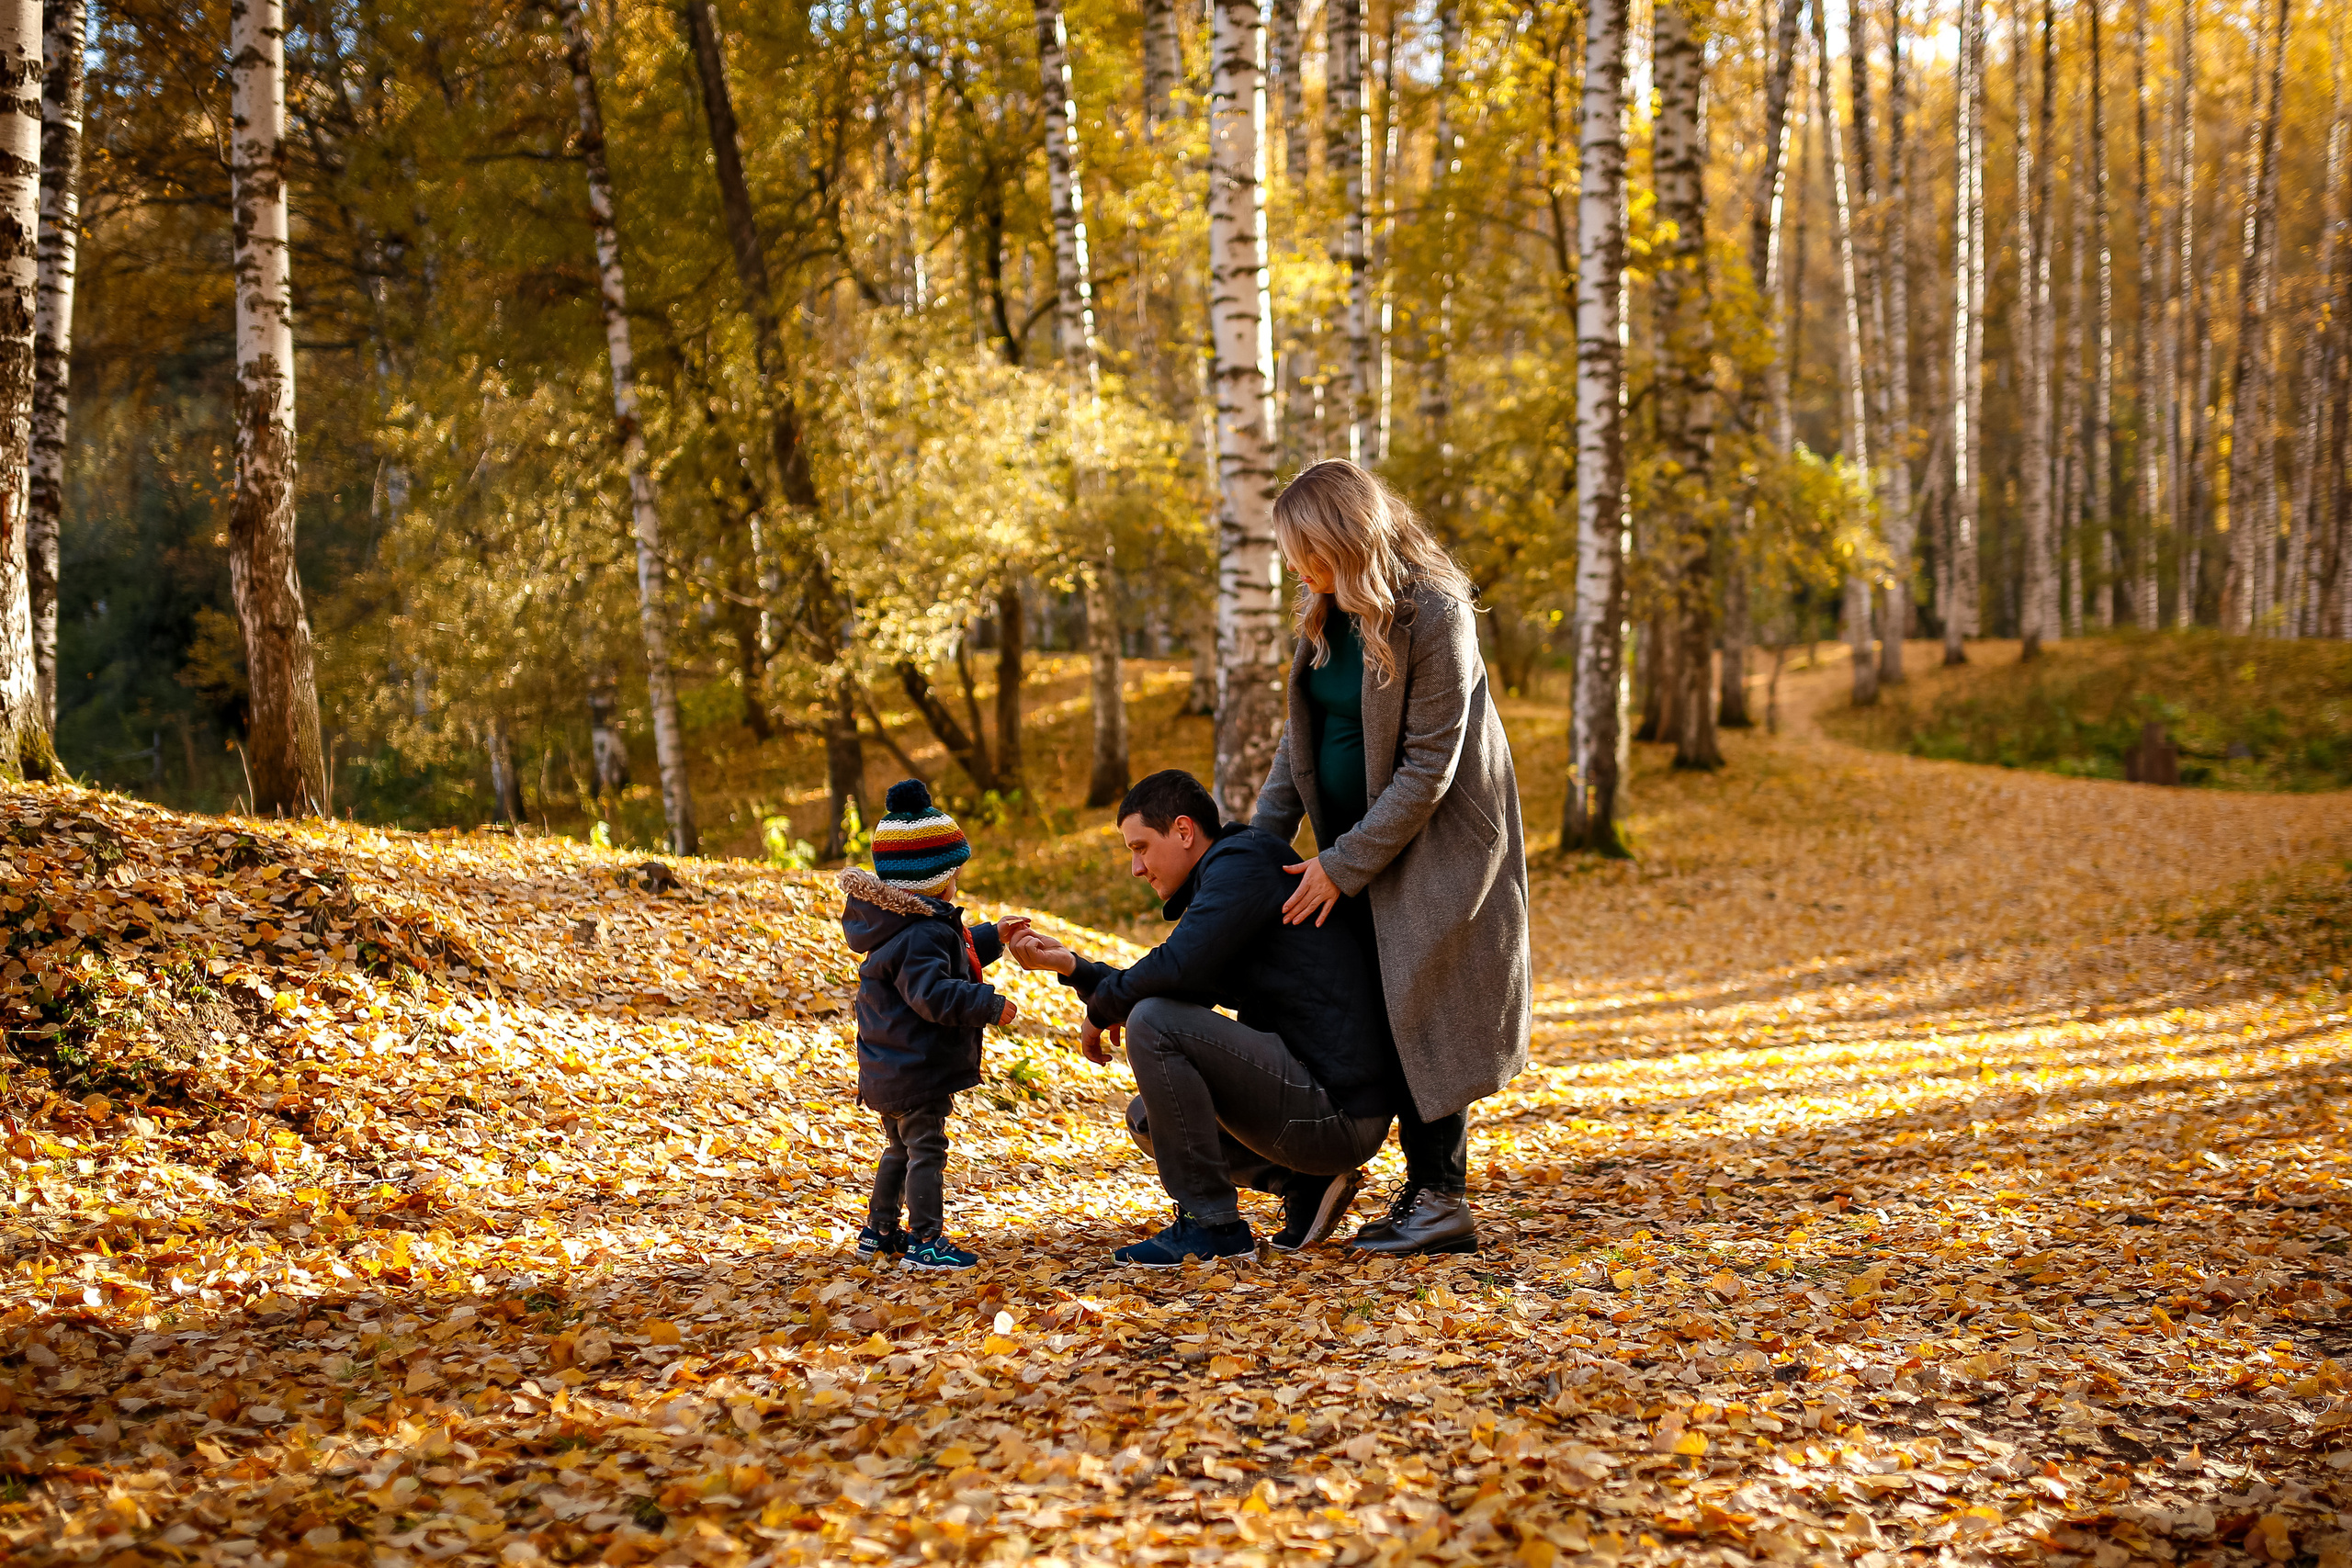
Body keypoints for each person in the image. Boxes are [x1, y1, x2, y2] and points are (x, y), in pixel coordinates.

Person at [1253, 457, 1532, 1256]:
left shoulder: (1435, 611)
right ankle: (1352, 1179)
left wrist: (1341, 864)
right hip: (1352, 841)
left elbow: (1430, 765)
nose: (1301, 571)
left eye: (1313, 552)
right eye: (1293, 556)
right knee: (1358, 1000)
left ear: (1351, 538)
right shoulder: (1323, 610)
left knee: (1420, 1000)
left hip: (1435, 842)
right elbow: (1296, 746)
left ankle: (1442, 1197)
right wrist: (1253, 849)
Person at [1001, 770, 1414, 1267]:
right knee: (1150, 1118)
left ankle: (1211, 1225)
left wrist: (1104, 1005)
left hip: (1339, 1111)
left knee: (1155, 1023)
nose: (1136, 867)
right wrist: (1074, 968)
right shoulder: (1232, 874)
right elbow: (1184, 983)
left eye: (1141, 847)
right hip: (1319, 1103)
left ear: (1182, 830)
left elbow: (1176, 970)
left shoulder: (1241, 866)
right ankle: (1304, 1181)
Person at [838, 779, 1018, 1270]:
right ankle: (924, 1240)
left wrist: (994, 938)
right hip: (916, 1070)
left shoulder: (903, 927)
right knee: (927, 1150)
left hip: (891, 1067)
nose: (957, 882)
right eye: (955, 873)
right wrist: (986, 1003)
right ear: (937, 880)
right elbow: (933, 993)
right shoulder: (921, 933)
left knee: (898, 1148)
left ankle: (878, 1231)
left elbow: (948, 960)